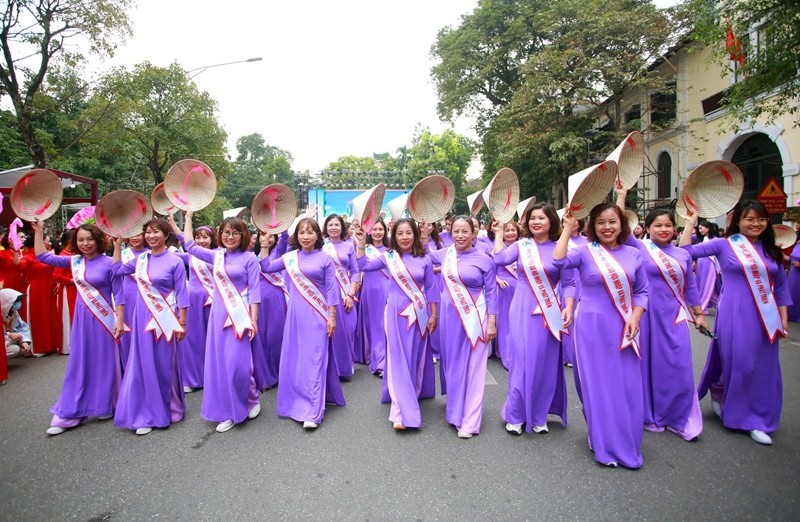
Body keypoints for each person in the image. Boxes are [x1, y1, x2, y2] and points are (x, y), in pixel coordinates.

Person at [680, 200, 790, 445]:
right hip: (734, 313)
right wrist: (690, 224)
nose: (755, 224)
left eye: (761, 219)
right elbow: (685, 252)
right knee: (740, 363)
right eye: (749, 219)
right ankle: (738, 414)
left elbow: (780, 286)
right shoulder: (724, 245)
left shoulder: (771, 250)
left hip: (766, 317)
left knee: (764, 367)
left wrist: (783, 318)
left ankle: (759, 417)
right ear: (737, 221)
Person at [553, 204, 648, 468]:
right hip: (592, 327)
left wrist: (636, 316)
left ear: (622, 224)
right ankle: (603, 440)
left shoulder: (633, 253)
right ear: (592, 227)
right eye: (600, 223)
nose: (607, 227)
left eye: (612, 222)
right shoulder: (584, 251)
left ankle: (625, 441)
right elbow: (558, 261)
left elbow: (642, 291)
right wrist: (568, 228)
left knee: (626, 385)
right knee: (598, 385)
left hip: (624, 326)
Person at [32, 218, 125, 436]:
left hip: (105, 320)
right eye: (81, 240)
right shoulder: (74, 262)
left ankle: (105, 404)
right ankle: (72, 408)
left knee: (105, 362)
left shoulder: (109, 262)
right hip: (82, 319)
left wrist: (120, 320)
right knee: (80, 362)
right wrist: (38, 231)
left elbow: (119, 294)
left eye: (89, 239)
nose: (85, 243)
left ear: (98, 240)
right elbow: (43, 256)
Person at [172, 212, 261, 434]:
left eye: (235, 233)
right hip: (218, 316)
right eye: (226, 233)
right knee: (221, 364)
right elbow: (190, 246)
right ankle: (230, 410)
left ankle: (251, 397)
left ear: (243, 235)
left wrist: (254, 319)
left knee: (238, 365)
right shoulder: (217, 256)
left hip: (239, 316)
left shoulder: (250, 258)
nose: (230, 237)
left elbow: (255, 291)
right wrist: (188, 217)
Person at [492, 203, 576, 435]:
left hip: (550, 311)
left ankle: (539, 415)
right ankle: (516, 414)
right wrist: (499, 232)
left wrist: (568, 306)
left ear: (551, 221)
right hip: (522, 307)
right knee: (522, 360)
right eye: (532, 218)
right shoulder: (521, 245)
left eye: (541, 218)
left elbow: (569, 283)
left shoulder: (561, 248)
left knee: (545, 364)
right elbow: (499, 259)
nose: (536, 222)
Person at [354, 218, 439, 430]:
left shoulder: (424, 259)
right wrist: (361, 243)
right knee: (398, 358)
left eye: (408, 233)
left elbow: (431, 288)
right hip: (394, 313)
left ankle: (412, 391)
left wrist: (434, 315)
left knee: (413, 357)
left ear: (415, 235)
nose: (404, 237)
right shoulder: (389, 257)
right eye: (400, 233)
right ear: (394, 235)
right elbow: (362, 265)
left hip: (419, 313)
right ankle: (401, 411)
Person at [260, 218, 344, 429]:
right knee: (297, 359)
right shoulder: (289, 258)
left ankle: (312, 411)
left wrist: (332, 316)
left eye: (310, 232)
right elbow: (266, 267)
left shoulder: (325, 258)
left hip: (318, 315)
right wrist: (263, 245)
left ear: (317, 236)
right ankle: (296, 402)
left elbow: (332, 290)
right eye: (302, 233)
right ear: (296, 236)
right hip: (296, 317)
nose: (305, 236)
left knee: (313, 359)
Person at [112, 219, 188, 435]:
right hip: (141, 318)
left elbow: (182, 294)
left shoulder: (174, 261)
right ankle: (146, 410)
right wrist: (117, 246)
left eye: (156, 232)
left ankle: (169, 408)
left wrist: (183, 322)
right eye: (148, 232)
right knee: (143, 363)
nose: (151, 236)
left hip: (165, 319)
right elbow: (116, 270)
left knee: (163, 364)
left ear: (165, 235)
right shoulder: (141, 260)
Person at [428, 216, 498, 439]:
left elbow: (492, 292)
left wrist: (492, 322)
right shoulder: (444, 254)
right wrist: (422, 232)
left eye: (464, 231)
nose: (460, 235)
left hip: (475, 319)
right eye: (456, 231)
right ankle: (455, 412)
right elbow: (421, 256)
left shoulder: (484, 259)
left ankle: (470, 420)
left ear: (474, 234)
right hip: (449, 320)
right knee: (454, 365)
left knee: (475, 369)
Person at [176, 225, 216, 393]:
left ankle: (214, 375)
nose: (201, 240)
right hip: (193, 302)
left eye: (205, 237)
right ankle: (194, 378)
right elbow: (181, 237)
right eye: (198, 237)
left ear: (212, 239)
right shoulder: (189, 256)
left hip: (214, 300)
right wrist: (172, 220)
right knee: (194, 340)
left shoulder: (219, 254)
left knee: (213, 339)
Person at [322, 214, 360, 378]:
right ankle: (332, 369)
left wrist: (351, 294)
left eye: (336, 224)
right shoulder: (321, 246)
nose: (333, 227)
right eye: (330, 224)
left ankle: (346, 365)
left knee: (348, 330)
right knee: (330, 331)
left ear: (342, 227)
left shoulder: (349, 246)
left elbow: (355, 271)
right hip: (326, 295)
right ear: (325, 228)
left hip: (346, 294)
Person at [253, 230, 289, 391]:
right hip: (257, 301)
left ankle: (283, 371)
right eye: (262, 234)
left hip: (275, 299)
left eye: (270, 235)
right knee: (261, 338)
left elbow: (285, 238)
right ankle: (267, 375)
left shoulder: (278, 252)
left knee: (276, 336)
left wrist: (281, 224)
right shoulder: (250, 256)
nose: (266, 237)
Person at [354, 218, 390, 376]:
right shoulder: (363, 248)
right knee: (375, 326)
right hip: (370, 291)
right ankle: (379, 362)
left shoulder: (391, 249)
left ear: (385, 231)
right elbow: (357, 267)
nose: (377, 232)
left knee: (386, 326)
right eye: (374, 229)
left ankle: (386, 360)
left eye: (380, 229)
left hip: (388, 290)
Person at [488, 219, 523, 368]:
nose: (510, 233)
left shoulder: (523, 248)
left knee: (518, 322)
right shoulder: (497, 248)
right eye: (507, 230)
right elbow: (490, 271)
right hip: (504, 289)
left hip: (520, 288)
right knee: (505, 322)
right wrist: (498, 280)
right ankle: (506, 354)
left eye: (513, 230)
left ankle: (519, 352)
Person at [19, 234, 60, 355]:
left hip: (49, 289)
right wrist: (15, 250)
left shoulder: (47, 255)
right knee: (39, 317)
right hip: (36, 291)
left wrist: (57, 282)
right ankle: (37, 346)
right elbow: (19, 266)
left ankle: (50, 345)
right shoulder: (28, 256)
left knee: (50, 317)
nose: (50, 243)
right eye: (47, 241)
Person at [117, 233, 149, 371]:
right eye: (132, 235)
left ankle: (145, 366)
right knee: (128, 332)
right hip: (127, 297)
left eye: (139, 235)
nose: (135, 238)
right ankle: (129, 369)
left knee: (144, 332)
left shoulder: (150, 254)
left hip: (147, 297)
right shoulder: (123, 254)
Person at [52, 230, 77, 355]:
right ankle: (68, 344)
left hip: (76, 289)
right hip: (68, 289)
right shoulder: (63, 255)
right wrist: (72, 280)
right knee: (68, 315)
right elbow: (56, 275)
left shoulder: (74, 254)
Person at [694, 220, 722, 314]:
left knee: (707, 285)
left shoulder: (715, 240)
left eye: (702, 228)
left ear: (708, 228)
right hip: (701, 263)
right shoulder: (704, 239)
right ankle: (720, 305)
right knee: (705, 285)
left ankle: (702, 306)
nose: (700, 230)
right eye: (699, 229)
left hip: (710, 263)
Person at [1, 288, 32, 357]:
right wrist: (9, 335)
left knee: (21, 346)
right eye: (16, 301)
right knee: (14, 348)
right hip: (4, 339)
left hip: (5, 340)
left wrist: (24, 341)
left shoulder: (13, 313)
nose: (18, 303)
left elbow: (22, 327)